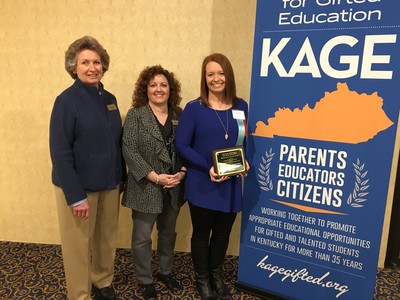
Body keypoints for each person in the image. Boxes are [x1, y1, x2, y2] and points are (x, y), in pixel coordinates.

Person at [49, 36, 125, 300]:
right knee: (78, 247)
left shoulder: (110, 98)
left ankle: (102, 281)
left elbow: (115, 142)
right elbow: (60, 152)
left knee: (106, 241)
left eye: (97, 62)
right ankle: (80, 294)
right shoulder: (66, 101)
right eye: (85, 62)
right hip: (80, 190)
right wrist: (75, 195)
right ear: (73, 67)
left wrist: (121, 179)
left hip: (109, 184)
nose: (92, 67)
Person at [175, 53, 249, 300]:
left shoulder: (241, 107)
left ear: (228, 75)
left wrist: (244, 160)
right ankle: (202, 279)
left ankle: (216, 275)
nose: (216, 79)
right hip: (203, 182)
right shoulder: (194, 108)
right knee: (201, 233)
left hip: (230, 184)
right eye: (210, 74)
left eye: (221, 73)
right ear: (204, 78)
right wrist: (208, 166)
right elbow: (182, 145)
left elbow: (243, 141)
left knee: (222, 234)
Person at [121, 65, 186, 300]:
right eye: (153, 85)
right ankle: (145, 279)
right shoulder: (136, 115)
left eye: (163, 85)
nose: (159, 89)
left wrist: (181, 173)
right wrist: (154, 176)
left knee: (168, 233)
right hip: (145, 186)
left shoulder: (179, 114)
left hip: (173, 187)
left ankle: (165, 272)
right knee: (142, 238)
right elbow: (129, 150)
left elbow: (187, 148)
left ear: (171, 89)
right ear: (145, 89)